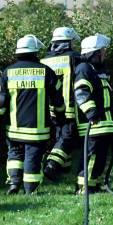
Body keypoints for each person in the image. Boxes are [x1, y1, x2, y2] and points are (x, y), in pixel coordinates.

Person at [0, 35, 64, 194]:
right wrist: (60, 115)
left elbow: (0, 101)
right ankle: (31, 189)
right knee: (33, 157)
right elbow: (58, 99)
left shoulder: (8, 72)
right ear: (35, 52)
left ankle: (14, 183)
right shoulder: (46, 72)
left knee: (14, 154)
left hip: (14, 128)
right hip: (37, 130)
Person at [73, 34, 113, 193]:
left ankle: (94, 184)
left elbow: (107, 93)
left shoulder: (99, 70)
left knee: (101, 157)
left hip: (105, 124)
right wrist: (91, 113)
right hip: (94, 124)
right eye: (103, 51)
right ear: (94, 53)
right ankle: (83, 187)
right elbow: (81, 92)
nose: (105, 54)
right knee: (92, 157)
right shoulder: (84, 69)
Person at [41, 27, 81, 182]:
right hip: (70, 107)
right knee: (67, 138)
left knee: (60, 136)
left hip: (51, 108)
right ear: (68, 43)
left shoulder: (44, 60)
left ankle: (63, 171)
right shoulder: (74, 58)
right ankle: (52, 165)